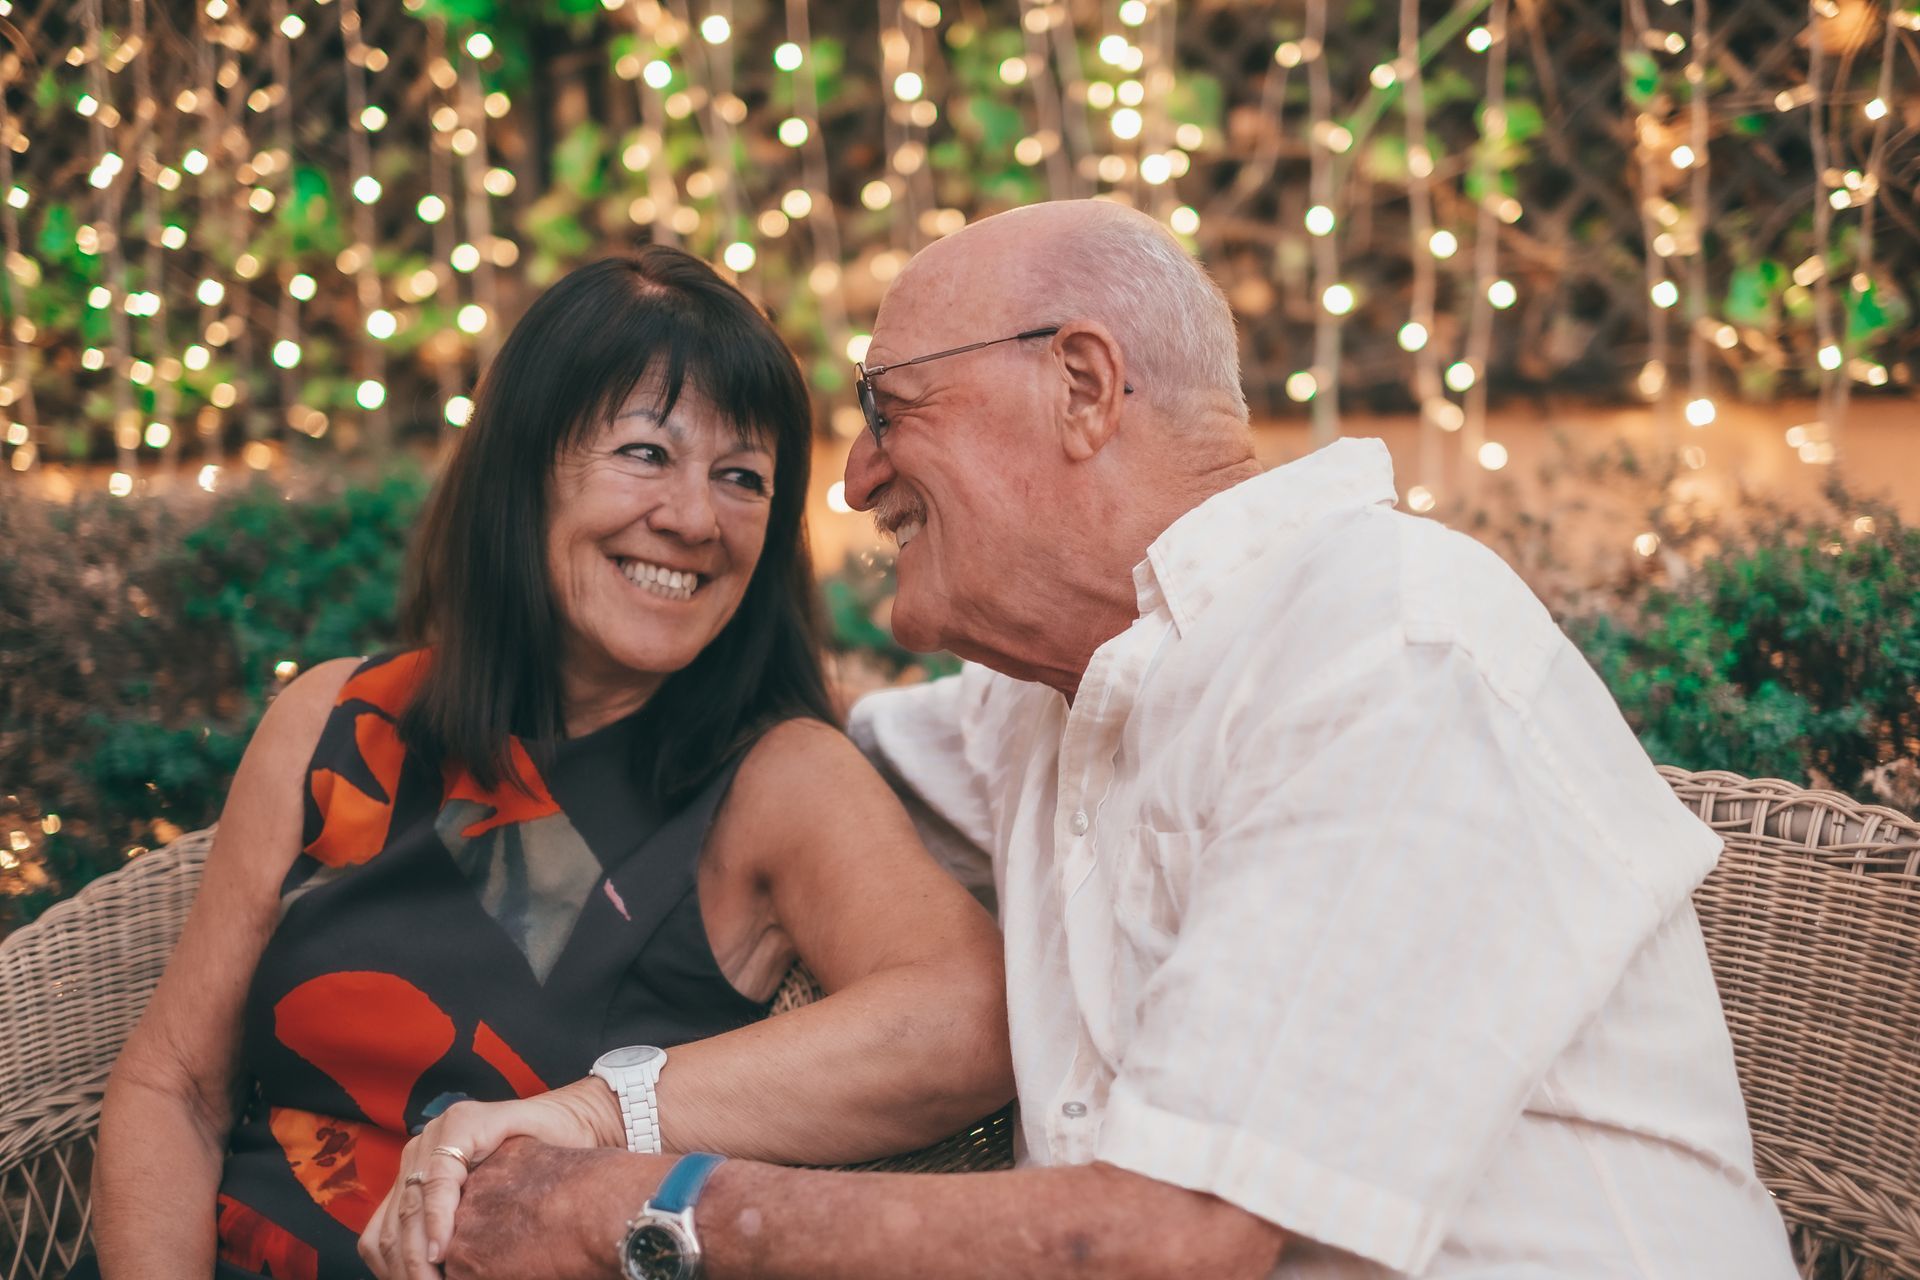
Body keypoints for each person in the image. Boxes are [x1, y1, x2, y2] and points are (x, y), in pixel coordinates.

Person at [429, 199, 1803, 1279]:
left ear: (1083, 385)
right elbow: (741, 769)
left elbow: (1164, 1239)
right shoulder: (1055, 699)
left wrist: (644, 1208)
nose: (846, 482)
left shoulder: (1387, 648)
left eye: (886, 411)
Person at [85, 247, 1014, 1280]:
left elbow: (969, 1017)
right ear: (524, 471)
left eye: (742, 476)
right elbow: (176, 1087)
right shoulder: (342, 723)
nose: (696, 519)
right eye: (646, 454)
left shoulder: (773, 777)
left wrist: (597, 1113)